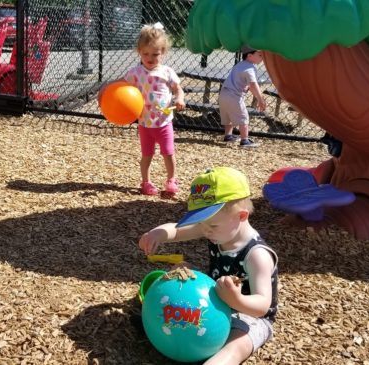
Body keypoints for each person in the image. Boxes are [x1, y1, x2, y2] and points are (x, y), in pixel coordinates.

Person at [138, 167, 278, 364]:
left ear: (241, 216)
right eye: (201, 223)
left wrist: (235, 299)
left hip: (249, 317)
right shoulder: (216, 227)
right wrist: (158, 233)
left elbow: (262, 306)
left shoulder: (257, 255)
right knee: (181, 272)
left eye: (211, 226)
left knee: (235, 347)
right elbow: (177, 231)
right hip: (216, 304)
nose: (205, 230)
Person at [113, 22, 185, 196]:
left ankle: (171, 179)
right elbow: (120, 86)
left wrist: (180, 98)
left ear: (163, 52)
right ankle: (145, 182)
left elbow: (177, 88)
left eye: (155, 54)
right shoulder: (135, 73)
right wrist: (106, 93)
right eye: (145, 54)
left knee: (168, 153)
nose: (150, 58)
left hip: (164, 122)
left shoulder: (167, 72)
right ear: (139, 52)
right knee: (147, 155)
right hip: (145, 123)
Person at [218, 46, 268, 148]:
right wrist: (260, 99)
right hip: (234, 96)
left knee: (228, 116)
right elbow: (253, 84)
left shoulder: (239, 65)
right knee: (243, 117)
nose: (262, 57)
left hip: (223, 94)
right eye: (259, 55)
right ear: (249, 56)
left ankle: (228, 135)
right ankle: (244, 140)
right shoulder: (250, 67)